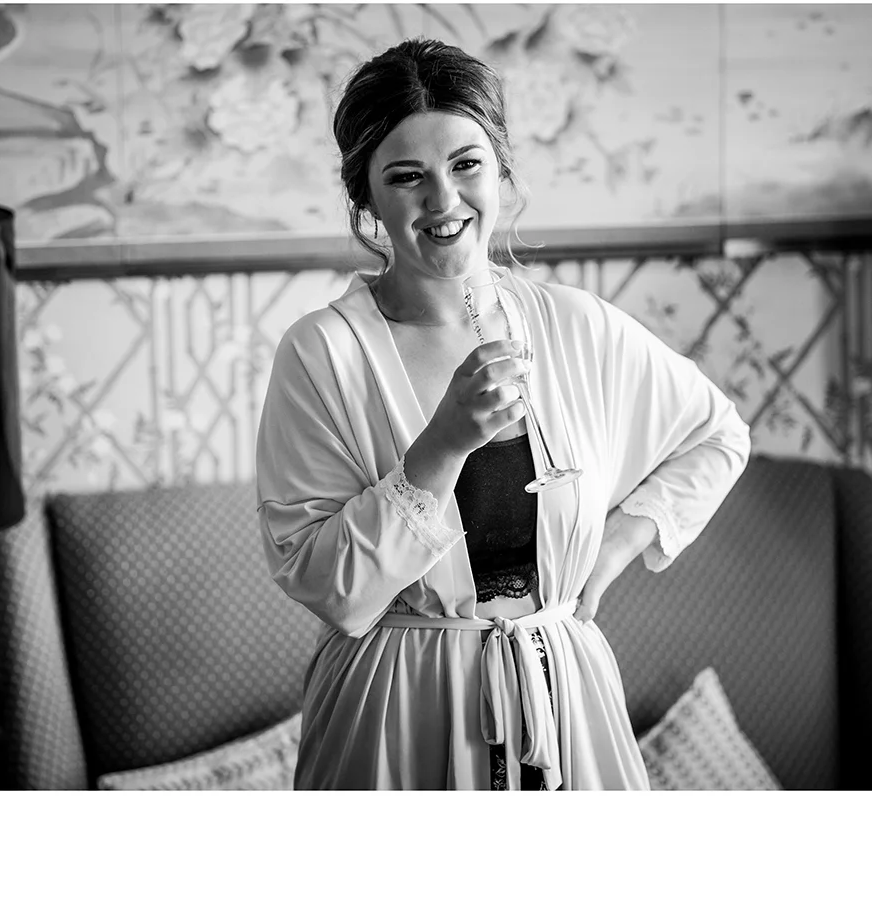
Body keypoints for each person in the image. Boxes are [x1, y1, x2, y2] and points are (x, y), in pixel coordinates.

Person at [254, 39, 751, 790]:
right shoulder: (322, 354)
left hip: (564, 696)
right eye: (406, 177)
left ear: (501, 171)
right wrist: (444, 444)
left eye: (466, 164)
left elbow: (718, 435)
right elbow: (330, 590)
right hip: (395, 709)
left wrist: (615, 546)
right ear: (366, 199)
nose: (444, 201)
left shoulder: (576, 325)